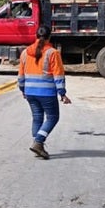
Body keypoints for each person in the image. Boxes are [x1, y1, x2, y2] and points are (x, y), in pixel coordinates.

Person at [17, 25, 70, 160]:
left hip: (30, 92)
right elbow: (58, 75)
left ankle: (38, 145)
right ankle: (38, 142)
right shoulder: (52, 53)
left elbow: (21, 76)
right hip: (46, 93)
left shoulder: (25, 53)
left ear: (36, 36)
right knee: (53, 117)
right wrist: (62, 93)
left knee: (37, 117)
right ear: (49, 37)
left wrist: (23, 89)